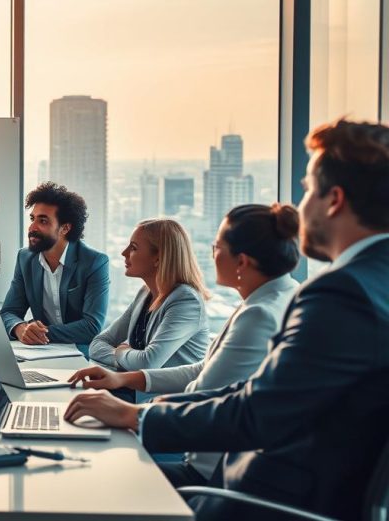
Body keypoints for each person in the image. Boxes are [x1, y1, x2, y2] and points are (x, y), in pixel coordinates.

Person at [63, 119, 389, 521]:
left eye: (306, 190)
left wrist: (135, 414)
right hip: (303, 492)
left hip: (262, 499)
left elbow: (257, 413)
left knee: (87, 486)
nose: (300, 209)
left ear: (334, 200)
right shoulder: (373, 283)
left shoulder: (342, 294)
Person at [69, 203, 301, 481]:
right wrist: (125, 380)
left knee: (97, 474)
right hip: (208, 448)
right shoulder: (275, 298)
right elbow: (201, 371)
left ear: (241, 261)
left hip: (211, 471)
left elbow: (208, 393)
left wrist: (133, 413)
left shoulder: (258, 315)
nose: (210, 254)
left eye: (216, 247)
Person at [0, 182, 110, 354]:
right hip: (38, 351)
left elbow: (91, 326)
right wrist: (20, 328)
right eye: (32, 219)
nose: (32, 227)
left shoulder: (94, 262)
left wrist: (38, 333)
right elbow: (9, 312)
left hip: (78, 351)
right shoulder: (25, 258)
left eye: (42, 220)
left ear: (65, 228)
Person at [88, 219, 210, 371]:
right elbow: (97, 344)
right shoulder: (145, 293)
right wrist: (122, 355)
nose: (124, 253)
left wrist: (122, 353)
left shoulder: (186, 301)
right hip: (131, 388)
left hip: (166, 394)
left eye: (133, 248)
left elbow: (148, 362)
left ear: (158, 258)